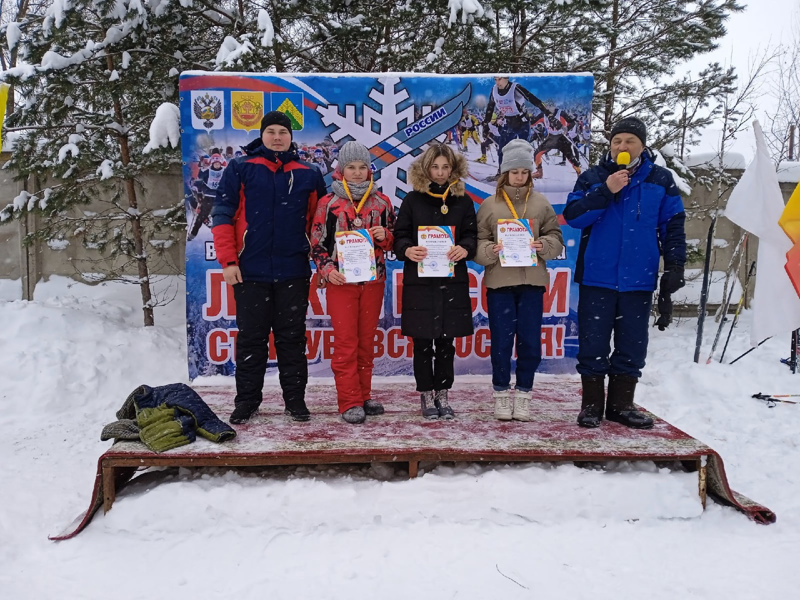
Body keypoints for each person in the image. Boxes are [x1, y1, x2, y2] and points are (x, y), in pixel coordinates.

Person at [563, 116, 686, 429]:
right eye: (617, 141)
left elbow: (673, 225)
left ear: (642, 145)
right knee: (593, 344)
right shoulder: (592, 177)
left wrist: (675, 265)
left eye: (629, 140)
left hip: (638, 279)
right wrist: (606, 189)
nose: (622, 146)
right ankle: (591, 406)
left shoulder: (661, 180)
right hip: (596, 277)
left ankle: (621, 405)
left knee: (632, 345)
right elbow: (574, 216)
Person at [211, 111, 327, 424]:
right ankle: (247, 401)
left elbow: (322, 223)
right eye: (271, 131)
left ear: (291, 137)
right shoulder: (240, 167)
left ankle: (295, 401)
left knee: (292, 339)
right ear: (262, 135)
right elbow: (222, 214)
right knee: (251, 339)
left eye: (283, 132)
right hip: (250, 271)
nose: (277, 137)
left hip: (293, 270)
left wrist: (324, 262)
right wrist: (228, 261)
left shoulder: (309, 172)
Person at [475, 140, 564, 421]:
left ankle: (524, 393)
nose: (519, 177)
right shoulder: (489, 205)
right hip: (500, 283)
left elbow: (556, 237)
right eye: (514, 172)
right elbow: (478, 241)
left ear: (530, 174)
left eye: (524, 172)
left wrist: (544, 244)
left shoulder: (540, 203)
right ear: (504, 173)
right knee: (501, 341)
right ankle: (501, 393)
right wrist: (490, 250)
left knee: (529, 341)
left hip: (532, 283)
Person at [310, 142, 396, 424]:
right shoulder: (328, 204)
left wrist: (386, 236)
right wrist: (327, 269)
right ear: (341, 170)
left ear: (370, 170)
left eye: (362, 167)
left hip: (373, 281)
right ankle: (349, 400)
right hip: (342, 282)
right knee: (347, 341)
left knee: (367, 341)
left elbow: (394, 239)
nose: (357, 173)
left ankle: (364, 393)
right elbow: (317, 245)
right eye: (351, 167)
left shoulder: (382, 202)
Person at [393, 144, 478, 420]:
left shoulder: (463, 201)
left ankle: (443, 394)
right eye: (435, 167)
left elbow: (471, 235)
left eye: (445, 167)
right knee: (422, 343)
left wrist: (464, 248)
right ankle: (426, 395)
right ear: (426, 168)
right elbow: (399, 235)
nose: (440, 173)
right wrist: (407, 249)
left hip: (451, 282)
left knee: (446, 343)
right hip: (420, 282)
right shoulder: (412, 200)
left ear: (453, 169)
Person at [482, 76, 550, 180]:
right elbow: (490, 106)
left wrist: (547, 113)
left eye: (500, 79)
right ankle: (501, 173)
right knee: (503, 149)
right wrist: (486, 124)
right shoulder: (494, 90)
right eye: (495, 79)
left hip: (522, 123)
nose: (497, 82)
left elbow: (533, 99)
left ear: (506, 78)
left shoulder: (515, 88)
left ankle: (524, 176)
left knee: (523, 150)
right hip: (508, 123)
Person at [531, 107, 582, 179]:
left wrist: (566, 129)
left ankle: (579, 173)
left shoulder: (560, 113)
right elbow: (533, 122)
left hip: (561, 138)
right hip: (551, 138)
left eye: (551, 106)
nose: (549, 108)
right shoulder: (543, 114)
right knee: (537, 154)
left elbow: (572, 123)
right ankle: (539, 172)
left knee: (571, 158)